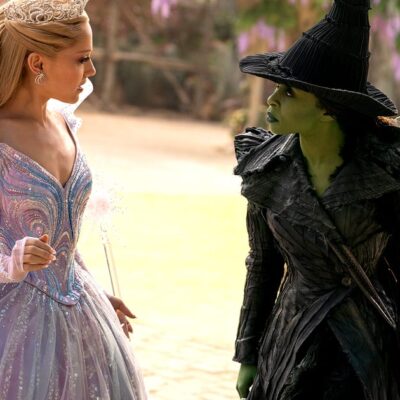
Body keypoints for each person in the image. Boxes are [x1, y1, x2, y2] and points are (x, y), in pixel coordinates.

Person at [233, 0, 400, 399]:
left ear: (327, 110)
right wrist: (248, 354)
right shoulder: (266, 169)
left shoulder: (388, 173)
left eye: (289, 92)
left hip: (369, 345)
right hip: (290, 339)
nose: (272, 100)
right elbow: (262, 265)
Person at [0, 0, 147, 399]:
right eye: (82, 59)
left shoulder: (65, 123)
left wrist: (95, 291)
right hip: (14, 329)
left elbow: (64, 239)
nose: (92, 70)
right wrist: (12, 262)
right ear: (37, 63)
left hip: (82, 313)